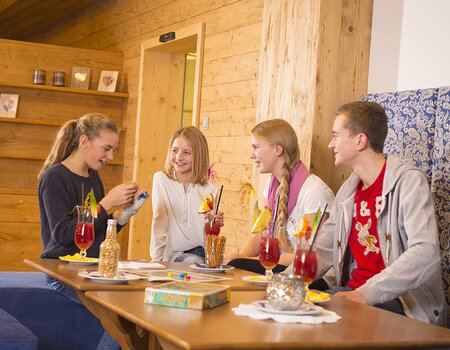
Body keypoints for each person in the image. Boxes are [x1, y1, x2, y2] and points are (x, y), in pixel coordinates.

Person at [314, 101, 445, 325]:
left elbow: (426, 252)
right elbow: (323, 250)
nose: (330, 144)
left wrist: (365, 294)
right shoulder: (348, 190)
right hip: (353, 292)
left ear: (360, 140)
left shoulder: (410, 182)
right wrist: (286, 282)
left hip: (404, 303)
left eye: (336, 135)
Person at [38, 113, 145, 349]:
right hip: (62, 272)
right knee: (117, 314)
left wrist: (124, 214)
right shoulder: (55, 177)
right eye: (106, 148)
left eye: (113, 150)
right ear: (84, 141)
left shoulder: (93, 178)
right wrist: (106, 204)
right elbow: (64, 235)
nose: (111, 156)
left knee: (139, 309)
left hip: (92, 269)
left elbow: (94, 234)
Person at [225, 119, 334, 274]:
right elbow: (262, 233)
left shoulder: (315, 191)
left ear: (277, 149)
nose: (251, 155)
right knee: (233, 265)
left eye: (256, 147)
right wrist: (240, 257)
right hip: (277, 265)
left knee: (238, 264)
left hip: (305, 272)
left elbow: (310, 255)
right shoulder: (271, 185)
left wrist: (246, 261)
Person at [150, 126, 223, 264]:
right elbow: (159, 221)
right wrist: (156, 259)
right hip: (174, 254)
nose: (179, 157)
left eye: (187, 153)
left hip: (202, 254)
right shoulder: (161, 180)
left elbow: (209, 233)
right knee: (192, 262)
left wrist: (214, 221)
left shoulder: (210, 191)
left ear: (199, 155)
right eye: (175, 151)